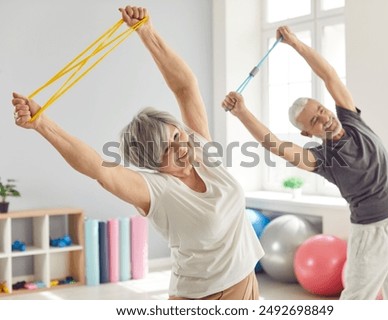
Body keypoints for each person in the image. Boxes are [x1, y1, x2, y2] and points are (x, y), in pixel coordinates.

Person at [12, 6, 263, 300]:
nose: (182, 147)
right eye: (168, 149)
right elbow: (99, 169)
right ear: (153, 163)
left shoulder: (201, 148)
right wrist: (42, 124)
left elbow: (185, 87)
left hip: (246, 282)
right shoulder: (156, 190)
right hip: (203, 297)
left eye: (178, 135)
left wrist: (146, 31)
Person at [222, 26, 388, 300]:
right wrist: (241, 112)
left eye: (321, 111)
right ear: (307, 133)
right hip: (371, 234)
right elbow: (275, 145)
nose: (324, 118)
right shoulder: (323, 158)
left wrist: (296, 44)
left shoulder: (351, 119)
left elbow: (328, 75)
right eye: (314, 121)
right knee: (356, 301)